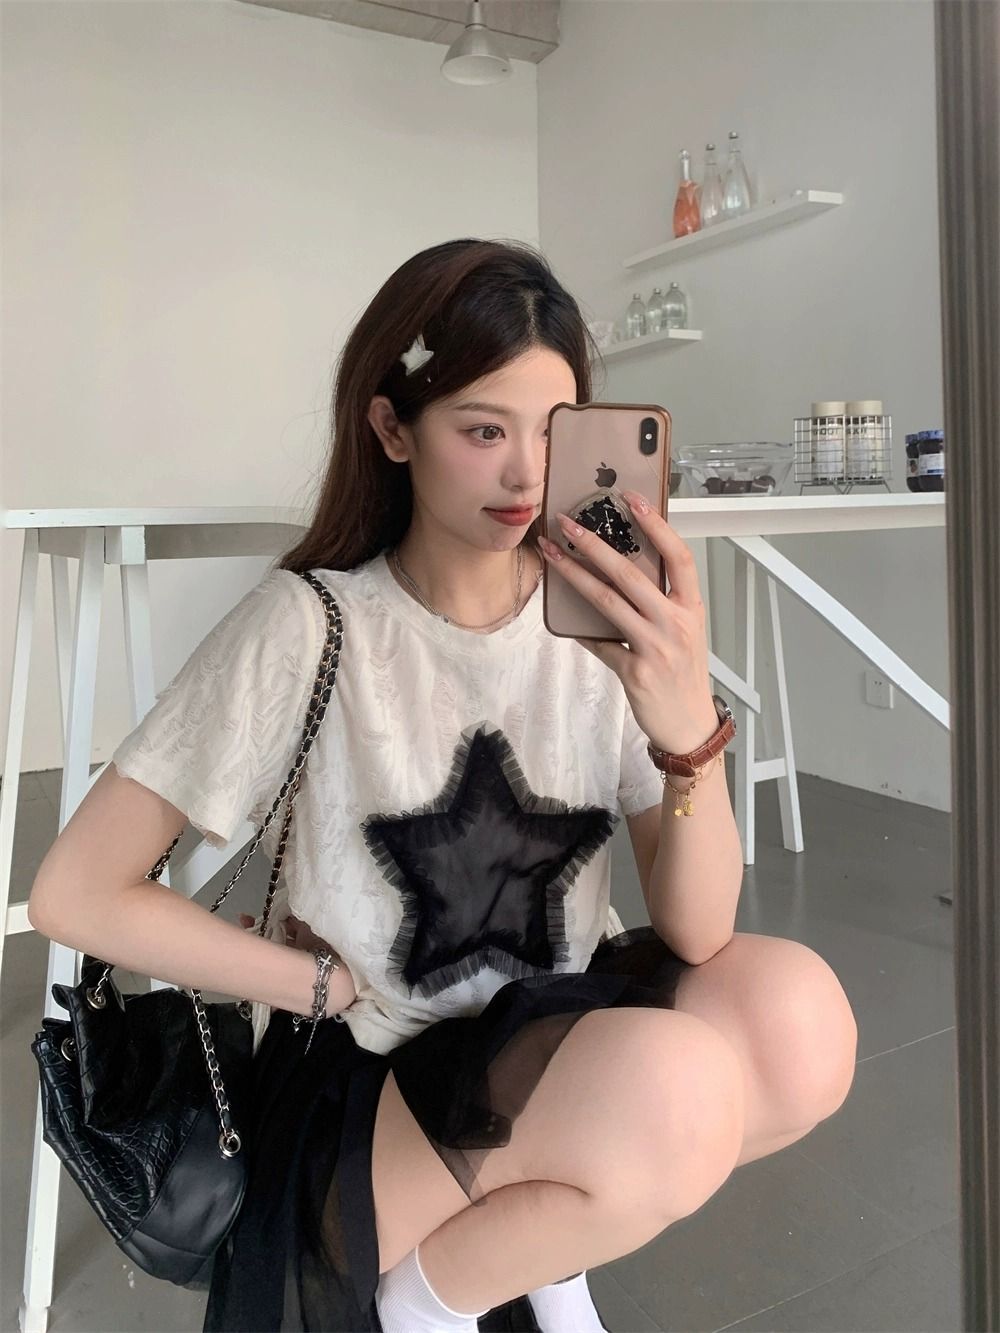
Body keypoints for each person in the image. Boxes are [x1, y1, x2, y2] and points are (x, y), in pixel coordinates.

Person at [28, 238, 855, 1333]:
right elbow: (74, 893)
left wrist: (685, 727)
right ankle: (426, 1302)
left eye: (551, 435)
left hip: (546, 1036)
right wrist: (309, 983)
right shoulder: (312, 626)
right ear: (391, 428)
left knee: (800, 1022)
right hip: (372, 1079)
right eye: (482, 431)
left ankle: (535, 1238)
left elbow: (700, 930)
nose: (525, 477)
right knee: (675, 1089)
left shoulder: (598, 631)